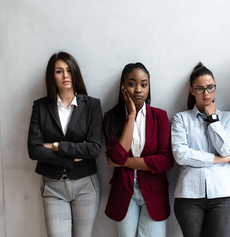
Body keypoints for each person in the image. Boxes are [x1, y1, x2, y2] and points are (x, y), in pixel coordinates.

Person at [27, 52, 103, 237]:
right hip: (53, 187)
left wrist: (55, 146)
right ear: (52, 76)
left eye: (69, 70)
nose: (65, 75)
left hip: (86, 186)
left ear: (75, 73)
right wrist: (73, 156)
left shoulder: (92, 105)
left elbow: (94, 148)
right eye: (59, 71)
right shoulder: (41, 106)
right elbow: (34, 149)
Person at [103, 62, 174, 237]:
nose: (138, 90)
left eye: (144, 84)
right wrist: (131, 116)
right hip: (124, 191)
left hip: (154, 192)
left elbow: (165, 160)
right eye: (132, 83)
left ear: (148, 88)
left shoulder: (160, 116)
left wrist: (122, 162)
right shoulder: (111, 118)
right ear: (123, 87)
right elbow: (117, 156)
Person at [171, 62, 230, 237]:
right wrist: (218, 160)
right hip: (189, 196)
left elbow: (225, 149)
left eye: (210, 88)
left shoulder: (228, 117)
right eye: (200, 89)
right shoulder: (180, 119)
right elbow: (181, 155)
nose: (206, 93)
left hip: (223, 194)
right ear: (192, 90)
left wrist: (213, 118)